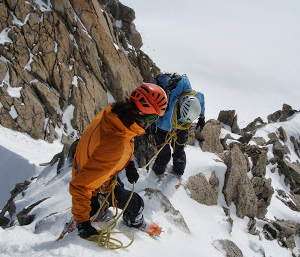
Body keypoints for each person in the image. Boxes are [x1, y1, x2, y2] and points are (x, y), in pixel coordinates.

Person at [69, 83, 168, 240]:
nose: (152, 123)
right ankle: (133, 221)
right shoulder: (117, 145)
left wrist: (129, 164)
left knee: (111, 192)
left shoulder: (114, 113)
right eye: (153, 118)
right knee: (136, 203)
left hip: (89, 168)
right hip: (95, 183)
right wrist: (83, 225)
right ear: (146, 117)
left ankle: (95, 208)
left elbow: (117, 142)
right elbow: (80, 186)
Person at [151, 73, 205, 179]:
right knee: (164, 153)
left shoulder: (194, 97)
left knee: (179, 150)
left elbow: (201, 98)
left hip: (181, 128)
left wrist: (202, 117)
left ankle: (178, 173)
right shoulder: (169, 99)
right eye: (180, 115)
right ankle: (157, 173)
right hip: (163, 127)